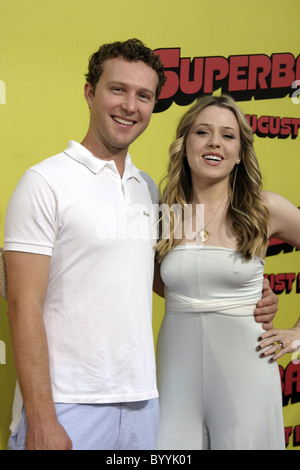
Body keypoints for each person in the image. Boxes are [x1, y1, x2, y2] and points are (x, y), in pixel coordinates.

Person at [4, 40, 277, 451]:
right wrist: (42, 419)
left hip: (144, 405)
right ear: (88, 92)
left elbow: (163, 278)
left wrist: (247, 293)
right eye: (117, 90)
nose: (130, 106)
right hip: (68, 406)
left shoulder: (149, 189)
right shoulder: (44, 182)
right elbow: (22, 304)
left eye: (143, 95)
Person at [154, 94, 300, 450]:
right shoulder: (168, 212)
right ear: (185, 143)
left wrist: (298, 334)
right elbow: (164, 284)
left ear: (239, 153)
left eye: (228, 135)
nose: (215, 142)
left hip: (247, 374)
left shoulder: (263, 208)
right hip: (176, 374)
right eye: (203, 132)